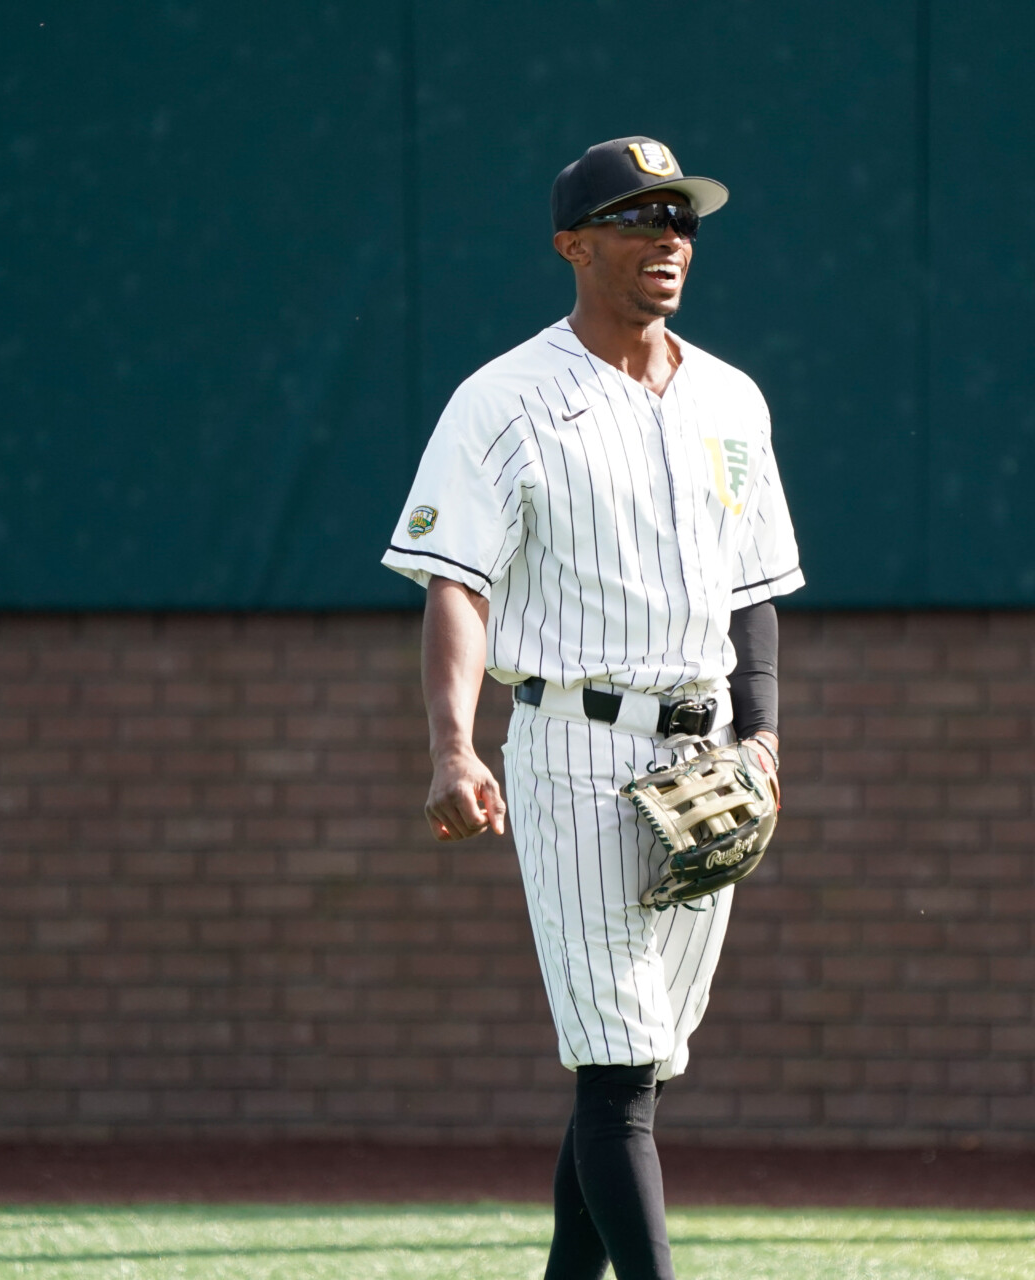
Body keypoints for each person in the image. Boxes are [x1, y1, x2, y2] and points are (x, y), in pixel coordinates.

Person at [381, 135, 803, 1280]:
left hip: (705, 755)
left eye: (682, 218)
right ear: (573, 244)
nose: (669, 235)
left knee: (637, 1062)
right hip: (573, 746)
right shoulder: (506, 398)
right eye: (638, 217)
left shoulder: (730, 397)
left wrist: (762, 734)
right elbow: (457, 580)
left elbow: (755, 588)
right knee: (618, 1070)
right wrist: (453, 744)